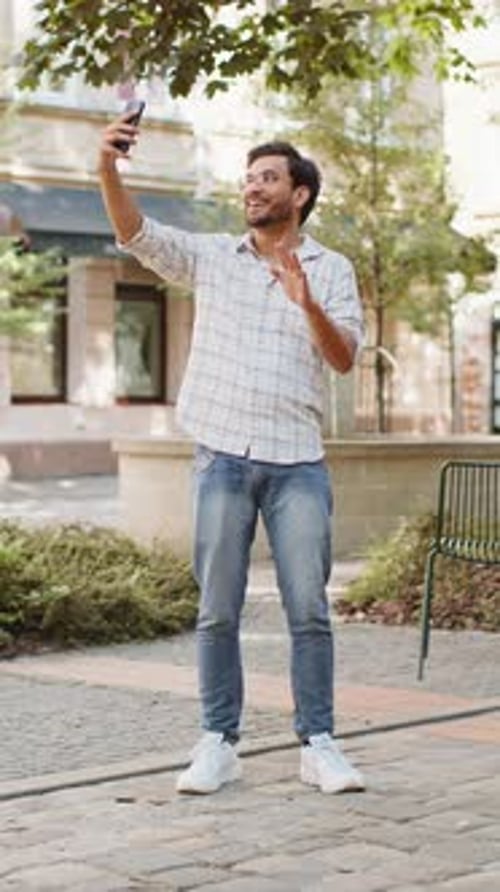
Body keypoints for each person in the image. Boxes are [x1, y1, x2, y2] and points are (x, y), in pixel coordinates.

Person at [98, 107, 365, 796]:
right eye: (248, 179)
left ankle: (320, 743)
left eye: (267, 178)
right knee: (217, 609)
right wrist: (106, 165)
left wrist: (306, 302)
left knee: (308, 607)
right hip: (221, 457)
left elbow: (342, 361)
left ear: (298, 194)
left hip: (298, 462)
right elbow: (134, 233)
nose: (252, 188)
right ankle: (218, 742)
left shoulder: (331, 269)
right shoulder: (215, 256)